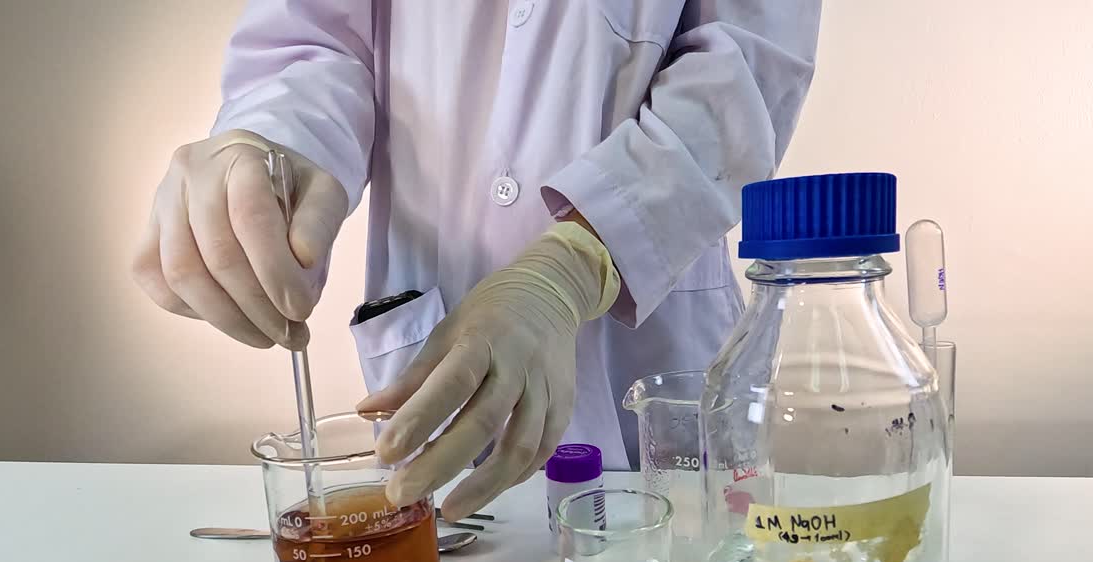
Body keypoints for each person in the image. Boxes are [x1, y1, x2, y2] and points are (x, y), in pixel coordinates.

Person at [133, 1, 821, 521]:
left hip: (647, 359)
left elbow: (744, 66)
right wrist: (272, 145)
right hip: (437, 353)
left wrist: (578, 261)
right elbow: (315, 39)